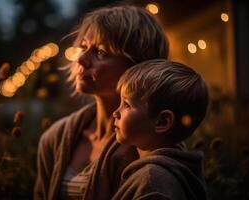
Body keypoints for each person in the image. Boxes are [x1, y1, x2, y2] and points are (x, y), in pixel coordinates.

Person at [34, 4, 169, 200]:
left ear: (138, 66)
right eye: (83, 47)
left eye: (100, 52)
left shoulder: (153, 146)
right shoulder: (55, 138)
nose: (81, 59)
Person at [112, 59, 208, 200]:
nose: (115, 112)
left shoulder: (152, 182)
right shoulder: (176, 168)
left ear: (162, 122)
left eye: (127, 104)